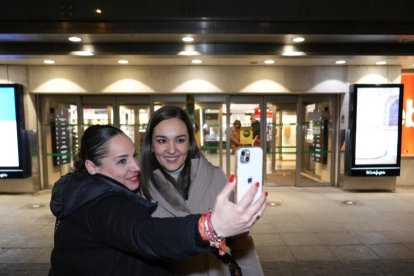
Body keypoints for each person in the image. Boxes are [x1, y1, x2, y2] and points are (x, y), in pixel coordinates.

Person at [49, 124, 266, 276]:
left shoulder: (87, 191)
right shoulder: (100, 205)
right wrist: (211, 226)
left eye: (133, 155)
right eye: (122, 161)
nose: (135, 166)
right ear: (91, 167)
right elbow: (145, 234)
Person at [140, 106, 265, 276]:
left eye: (180, 140)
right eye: (162, 141)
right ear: (151, 145)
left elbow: (240, 241)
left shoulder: (216, 177)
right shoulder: (140, 190)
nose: (171, 149)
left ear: (190, 142)